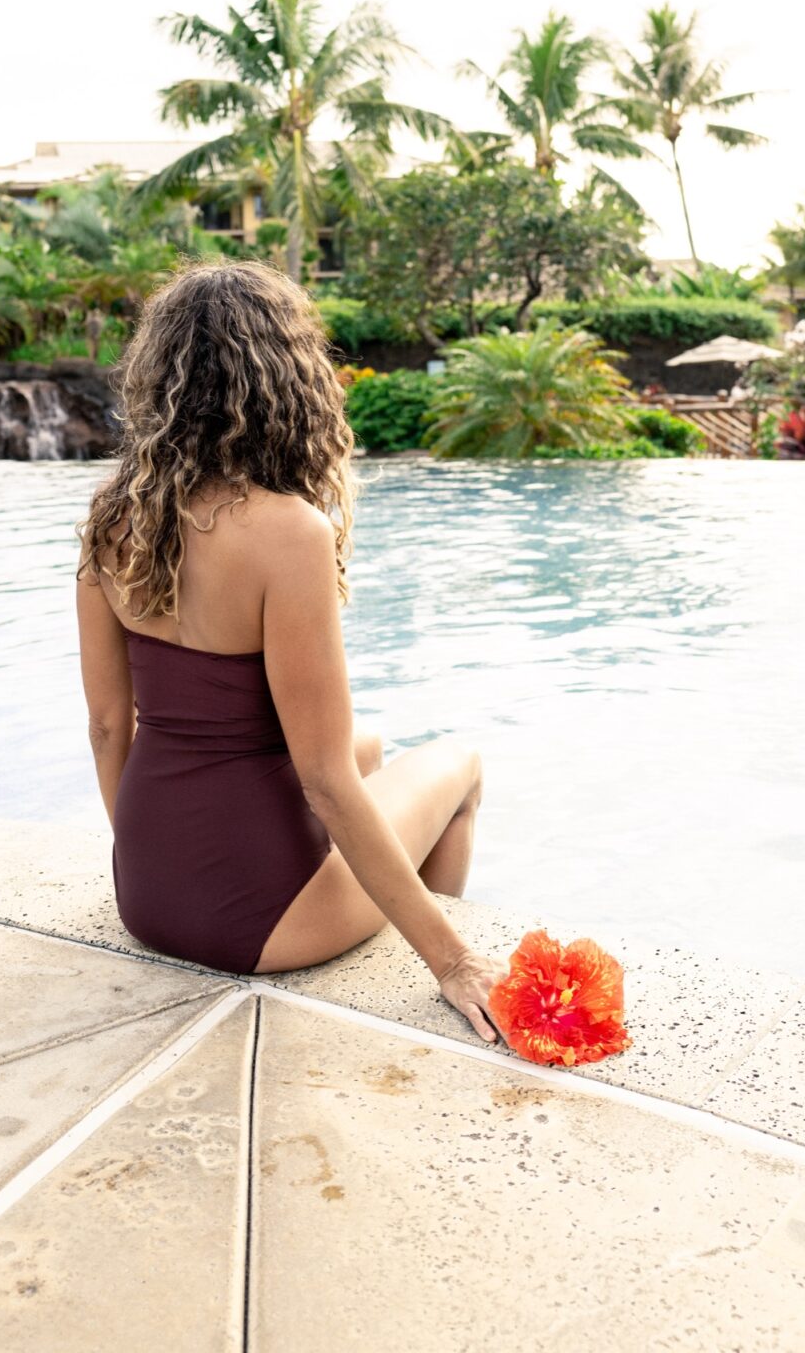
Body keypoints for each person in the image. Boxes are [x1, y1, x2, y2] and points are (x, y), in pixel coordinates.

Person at [76, 260, 503, 1044]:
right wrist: (454, 962)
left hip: (145, 895)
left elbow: (108, 729)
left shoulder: (113, 516)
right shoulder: (288, 532)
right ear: (287, 378)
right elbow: (325, 784)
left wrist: (146, 859)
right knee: (460, 765)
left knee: (369, 745)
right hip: (260, 925)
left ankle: (314, 885)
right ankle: (451, 971)